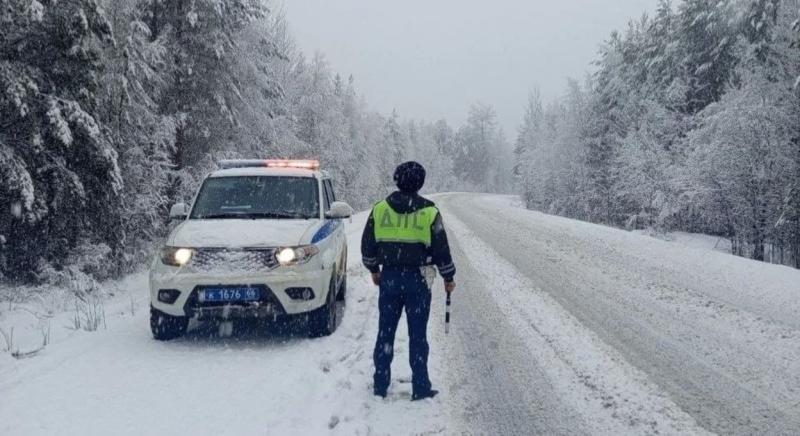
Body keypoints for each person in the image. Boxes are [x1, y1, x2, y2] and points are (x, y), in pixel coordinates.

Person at [361, 161, 457, 401]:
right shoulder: (430, 212)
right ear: (420, 182)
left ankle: (380, 384)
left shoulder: (380, 209)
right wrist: (448, 276)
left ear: (397, 179)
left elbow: (367, 247)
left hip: (390, 278)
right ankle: (421, 387)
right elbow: (441, 250)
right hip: (419, 280)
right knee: (418, 335)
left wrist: (374, 269)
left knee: (385, 333)